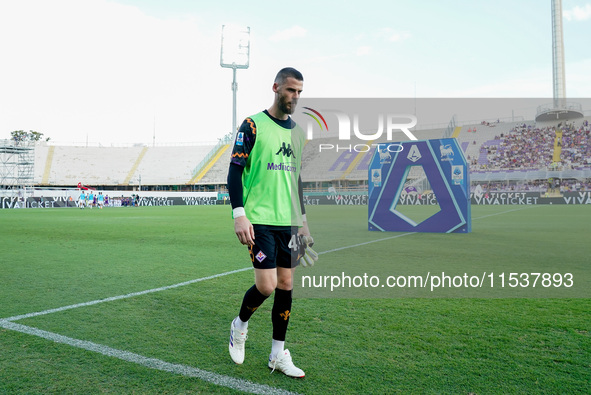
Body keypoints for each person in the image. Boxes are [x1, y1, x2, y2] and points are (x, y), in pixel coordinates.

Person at [226, 67, 311, 378]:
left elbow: (296, 179)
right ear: (276, 87)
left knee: (286, 284)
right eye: (290, 90)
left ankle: (278, 354)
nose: (295, 97)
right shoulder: (252, 125)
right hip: (258, 219)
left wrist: (302, 221)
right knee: (267, 285)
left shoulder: (299, 133)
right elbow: (234, 171)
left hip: (288, 222)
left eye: (300, 92)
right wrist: (239, 214)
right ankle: (240, 325)